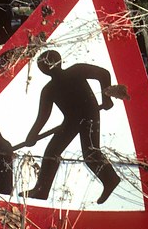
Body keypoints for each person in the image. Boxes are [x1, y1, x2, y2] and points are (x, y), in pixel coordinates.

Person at [23, 49, 121, 204]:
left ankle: (111, 180)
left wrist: (106, 97)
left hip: (89, 115)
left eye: (45, 64)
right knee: (51, 152)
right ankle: (41, 190)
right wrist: (32, 135)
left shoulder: (76, 70)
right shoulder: (48, 90)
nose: (45, 68)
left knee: (90, 153)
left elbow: (103, 74)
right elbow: (43, 116)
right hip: (71, 121)